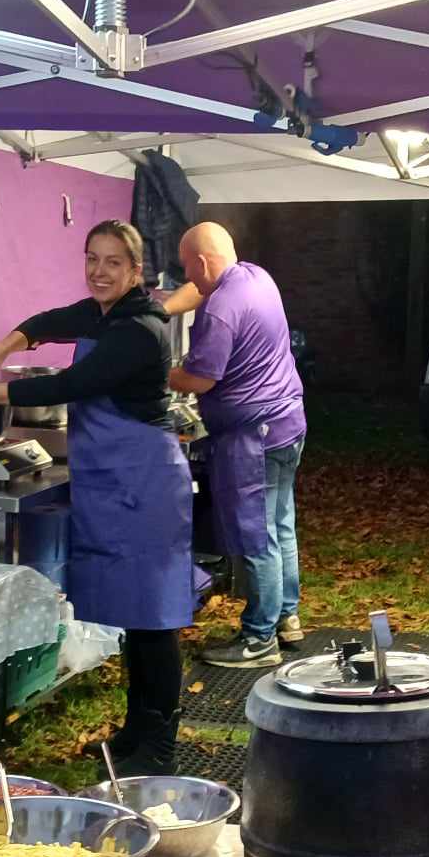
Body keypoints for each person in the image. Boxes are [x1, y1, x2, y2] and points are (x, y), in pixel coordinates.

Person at [0, 220, 193, 770]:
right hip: (113, 479)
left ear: (136, 271)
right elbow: (50, 322)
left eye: (112, 263)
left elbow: (67, 386)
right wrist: (5, 344)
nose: (99, 272)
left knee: (155, 619)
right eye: (91, 259)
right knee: (133, 614)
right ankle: (135, 728)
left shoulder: (139, 329)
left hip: (144, 483)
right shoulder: (102, 313)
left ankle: (158, 743)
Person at [161, 222, 307, 668]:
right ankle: (287, 617)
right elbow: (199, 291)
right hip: (287, 425)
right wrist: (161, 310)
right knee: (280, 525)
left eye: (189, 268)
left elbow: (201, 377)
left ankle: (259, 638)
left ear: (202, 262)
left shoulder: (221, 308)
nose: (191, 278)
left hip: (252, 438)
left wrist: (155, 371)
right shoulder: (256, 277)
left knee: (256, 534)